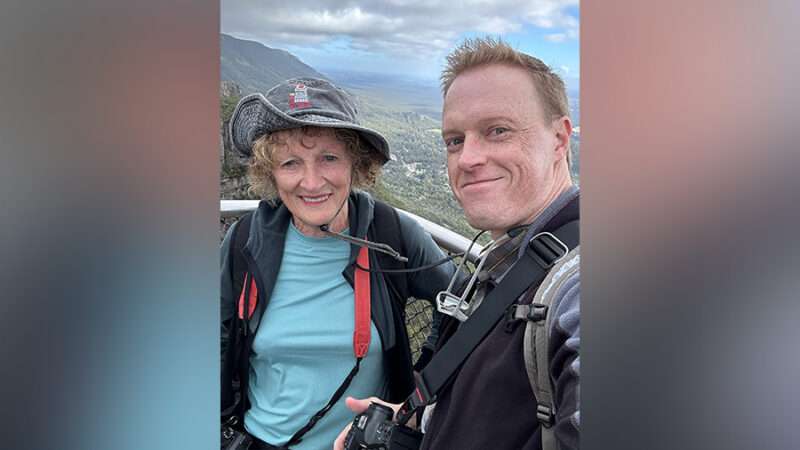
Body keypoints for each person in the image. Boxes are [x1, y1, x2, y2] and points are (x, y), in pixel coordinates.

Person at [335, 37, 580, 450]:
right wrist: (419, 420)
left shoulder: (577, 283)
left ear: (559, 139)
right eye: (454, 140)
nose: (467, 158)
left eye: (497, 131)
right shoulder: (507, 260)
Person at [221, 77, 458, 450]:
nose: (311, 182)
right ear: (271, 173)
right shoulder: (244, 241)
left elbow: (462, 305)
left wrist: (422, 385)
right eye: (290, 163)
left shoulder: (392, 235)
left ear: (355, 164)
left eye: (329, 158)